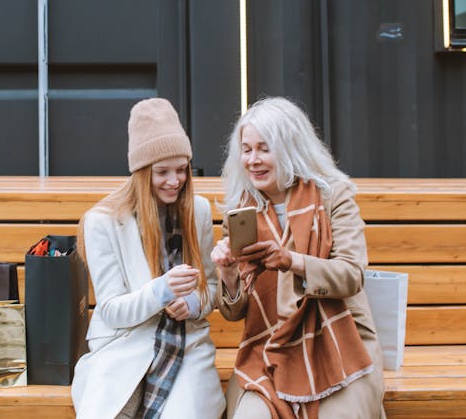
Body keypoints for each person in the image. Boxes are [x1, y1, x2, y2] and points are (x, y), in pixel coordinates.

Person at [212, 97, 386, 419]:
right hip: (266, 349)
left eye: (264, 148)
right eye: (246, 149)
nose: (253, 160)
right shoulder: (242, 209)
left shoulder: (334, 195)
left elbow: (351, 275)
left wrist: (292, 261)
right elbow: (234, 313)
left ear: (291, 147)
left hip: (338, 345)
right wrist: (229, 276)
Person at [71, 98, 224, 419]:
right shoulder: (103, 221)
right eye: (162, 172)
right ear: (141, 172)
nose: (175, 181)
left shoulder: (197, 212)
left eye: (182, 170)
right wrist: (161, 292)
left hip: (186, 343)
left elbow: (211, 287)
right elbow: (111, 311)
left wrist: (193, 304)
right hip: (123, 344)